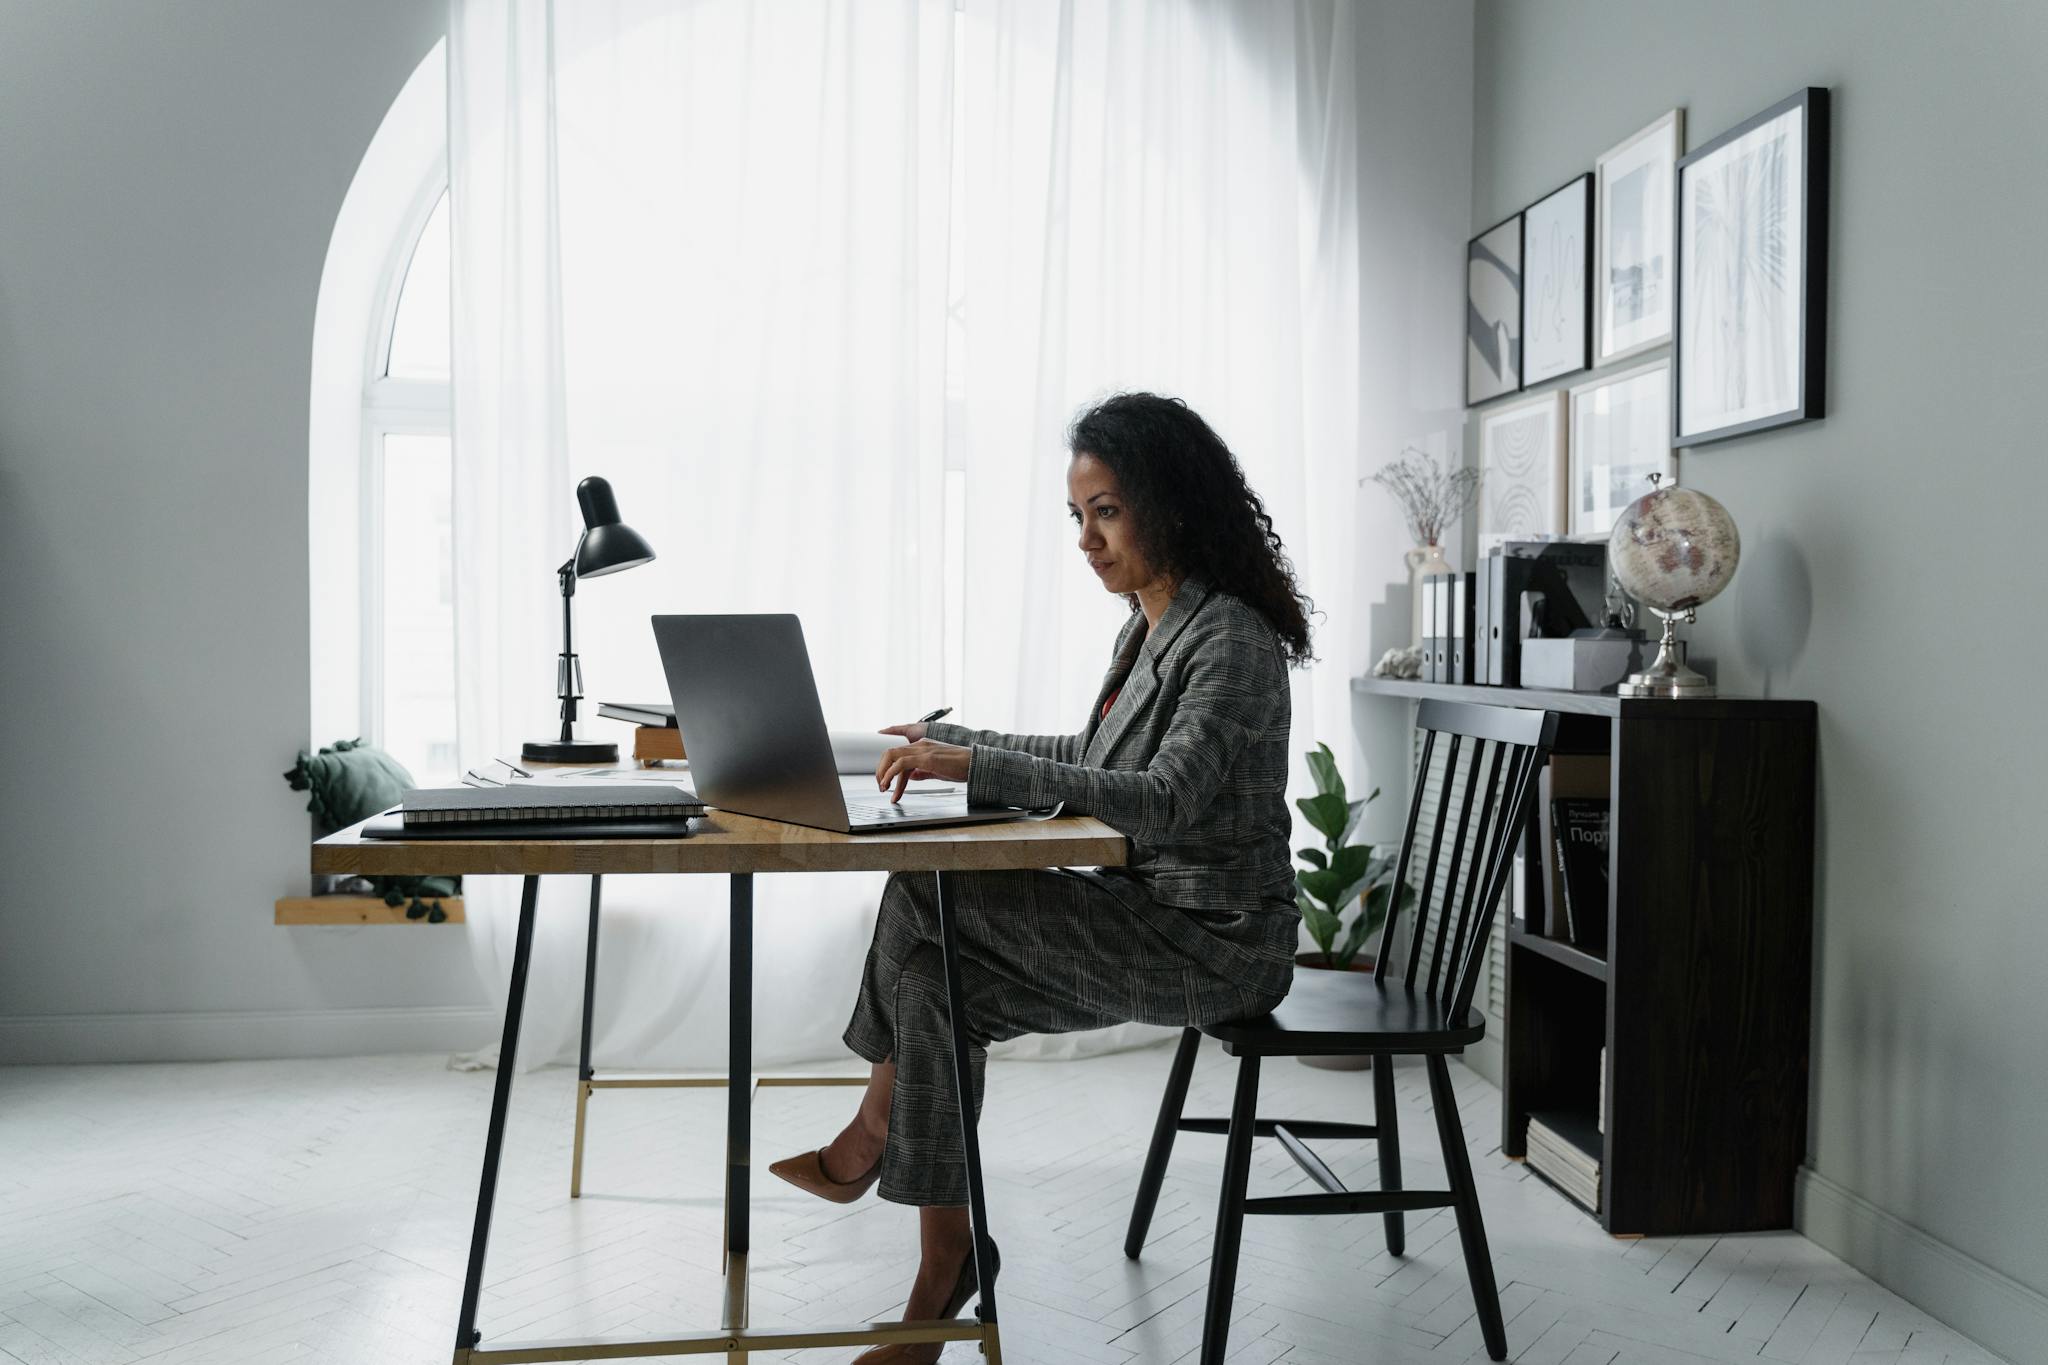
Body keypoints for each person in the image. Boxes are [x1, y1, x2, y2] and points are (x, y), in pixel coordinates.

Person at [768, 391, 1315, 1363]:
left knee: (918, 886)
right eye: (1077, 516)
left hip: (1216, 944)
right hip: (1141, 915)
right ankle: (943, 1269)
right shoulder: (1151, 627)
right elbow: (1091, 751)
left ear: (1170, 504)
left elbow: (1162, 799)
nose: (1085, 540)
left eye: (1106, 511)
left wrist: (975, 769)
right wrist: (958, 740)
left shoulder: (1227, 639)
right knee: (932, 982)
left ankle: (869, 1132)